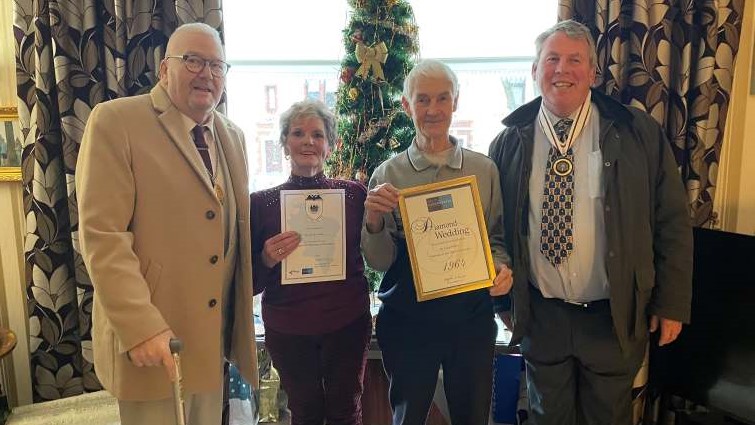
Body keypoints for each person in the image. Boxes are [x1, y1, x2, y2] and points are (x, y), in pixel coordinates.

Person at [487, 19, 693, 425]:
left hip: (612, 317)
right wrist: (502, 300)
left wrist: (671, 303)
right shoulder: (508, 140)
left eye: (574, 60)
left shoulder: (637, 133)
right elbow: (496, 228)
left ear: (594, 73)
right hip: (543, 318)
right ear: (534, 70)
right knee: (548, 417)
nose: (562, 69)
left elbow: (671, 220)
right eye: (552, 59)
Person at [76, 22, 258, 424]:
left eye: (216, 65)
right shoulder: (116, 122)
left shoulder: (233, 135)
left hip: (212, 343)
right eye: (192, 60)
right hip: (155, 342)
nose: (206, 74)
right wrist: (140, 327)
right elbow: (103, 236)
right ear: (164, 70)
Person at [362, 59, 514, 425]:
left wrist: (501, 268)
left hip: (471, 319)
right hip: (409, 321)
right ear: (406, 105)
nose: (433, 110)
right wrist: (373, 220)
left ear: (455, 102)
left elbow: (496, 238)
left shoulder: (484, 169)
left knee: (472, 416)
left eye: (442, 98)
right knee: (408, 416)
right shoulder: (388, 174)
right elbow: (380, 262)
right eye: (423, 100)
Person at [250, 99, 372, 425]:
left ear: (330, 145)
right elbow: (248, 283)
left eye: (318, 135)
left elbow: (372, 256)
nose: (308, 141)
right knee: (304, 413)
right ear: (284, 144)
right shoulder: (260, 204)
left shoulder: (355, 195)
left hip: (347, 323)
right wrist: (265, 257)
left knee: (347, 410)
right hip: (289, 329)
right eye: (298, 133)